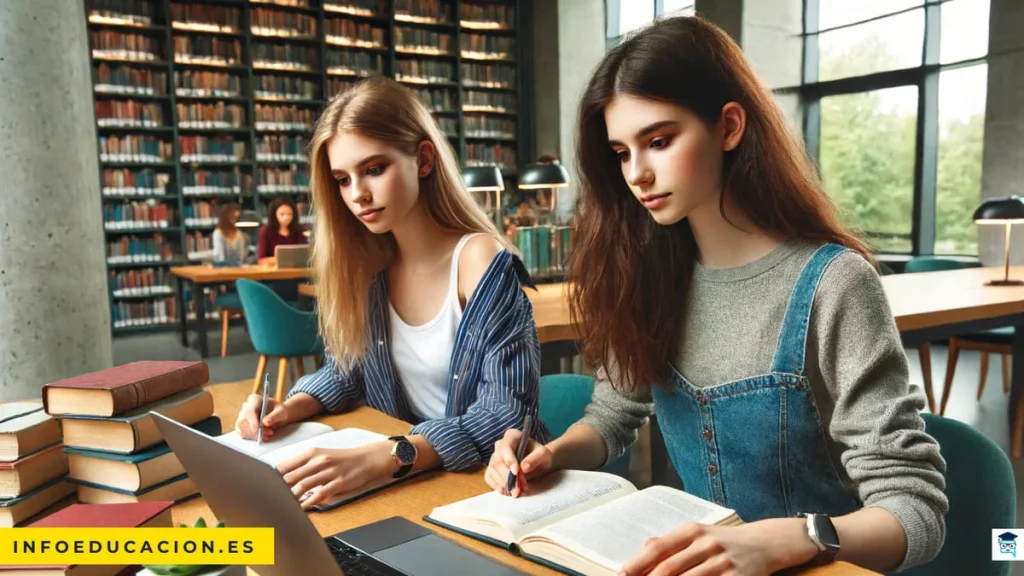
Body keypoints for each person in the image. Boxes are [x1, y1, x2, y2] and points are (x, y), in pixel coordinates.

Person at [484, 16, 947, 576]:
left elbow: (915, 510)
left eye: (658, 141)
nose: (638, 174)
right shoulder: (648, 277)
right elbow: (612, 416)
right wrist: (548, 456)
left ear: (729, 127)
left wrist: (799, 537)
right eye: (622, 153)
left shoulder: (835, 284)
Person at [234, 76, 548, 510]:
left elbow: (505, 414)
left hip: (487, 490)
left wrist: (391, 455)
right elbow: (349, 372)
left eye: (374, 169)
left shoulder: (479, 260)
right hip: (410, 487)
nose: (358, 194)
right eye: (342, 179)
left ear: (422, 160)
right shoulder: (368, 267)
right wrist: (290, 406)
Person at [257, 196, 307, 265]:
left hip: (296, 272)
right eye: (282, 214)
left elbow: (304, 256)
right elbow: (262, 260)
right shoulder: (265, 231)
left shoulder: (300, 230)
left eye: (289, 214)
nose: (286, 217)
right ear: (274, 214)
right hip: (273, 273)